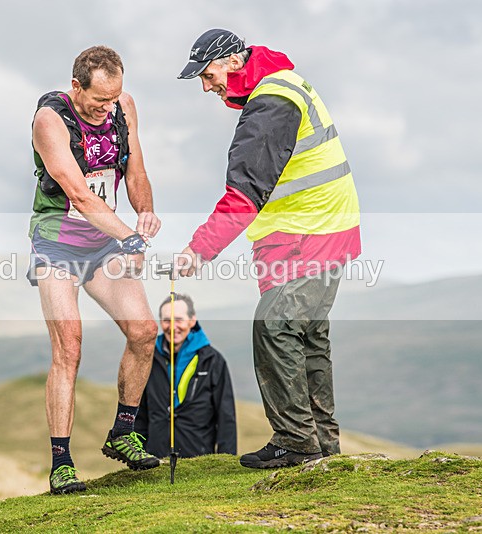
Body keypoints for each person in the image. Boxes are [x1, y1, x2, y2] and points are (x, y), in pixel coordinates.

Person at [174, 29, 361, 469]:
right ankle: (322, 447)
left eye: (208, 73)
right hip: (307, 233)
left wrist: (199, 249)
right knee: (306, 337)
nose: (206, 85)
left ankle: (296, 442)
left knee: (274, 326)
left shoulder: (272, 101)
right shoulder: (279, 85)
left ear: (234, 62)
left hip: (311, 234)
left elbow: (244, 192)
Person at [28, 45, 162, 494]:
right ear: (76, 86)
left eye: (114, 98)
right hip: (58, 244)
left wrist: (144, 216)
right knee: (70, 346)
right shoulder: (50, 120)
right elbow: (81, 196)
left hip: (103, 243)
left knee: (144, 332)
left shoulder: (123, 108)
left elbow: (136, 169)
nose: (108, 109)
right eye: (99, 101)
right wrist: (128, 235)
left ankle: (123, 433)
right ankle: (61, 462)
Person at [135, 293, 237, 458]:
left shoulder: (212, 361)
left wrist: (226, 462)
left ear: (192, 320)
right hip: (154, 460)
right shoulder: (148, 359)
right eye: (167, 320)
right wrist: (138, 458)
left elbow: (226, 417)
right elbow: (140, 414)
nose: (173, 327)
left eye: (179, 320)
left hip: (199, 460)